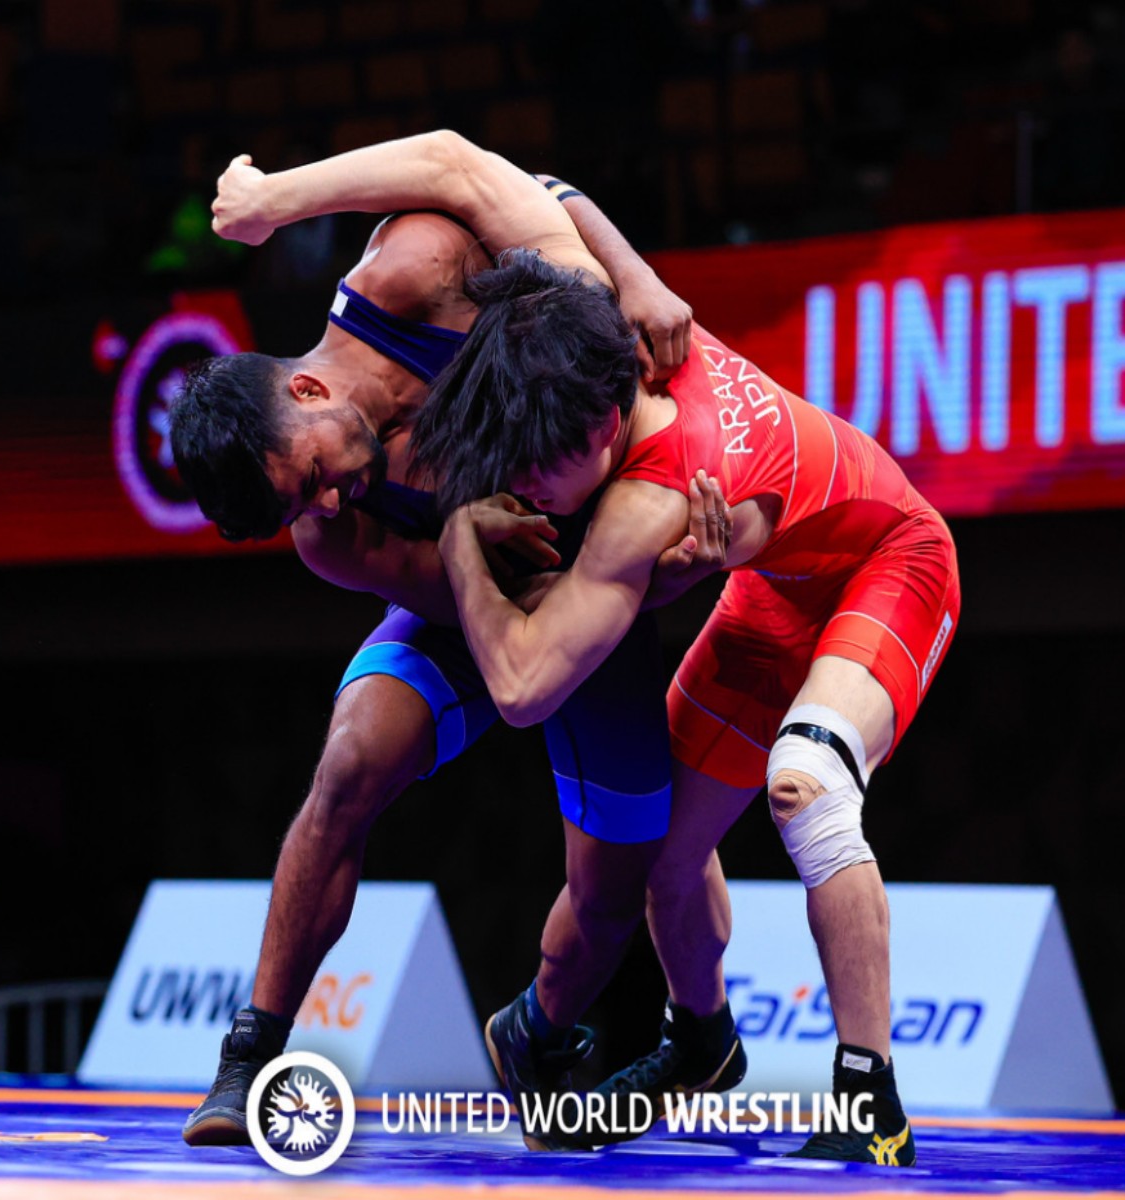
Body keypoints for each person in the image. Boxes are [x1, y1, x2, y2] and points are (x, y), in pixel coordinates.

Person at [305, 132, 959, 1163]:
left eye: (539, 473)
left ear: (606, 429)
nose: (526, 491)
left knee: (804, 782)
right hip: (773, 594)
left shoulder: (646, 498)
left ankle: (868, 1102)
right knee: (658, 847)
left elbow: (520, 688)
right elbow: (537, 187)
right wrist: (639, 270)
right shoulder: (602, 325)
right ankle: (701, 1041)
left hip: (891, 564)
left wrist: (467, 547)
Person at [171, 133, 729, 1148]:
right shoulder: (328, 536)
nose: (333, 500)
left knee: (623, 880)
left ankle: (547, 1035)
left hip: (592, 581)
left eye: (315, 476)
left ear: (302, 392)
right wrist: (472, 538)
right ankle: (250, 1054)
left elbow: (525, 192)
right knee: (348, 763)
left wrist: (636, 277)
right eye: (308, 503)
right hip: (483, 607)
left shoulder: (413, 276)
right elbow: (459, 596)